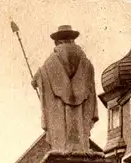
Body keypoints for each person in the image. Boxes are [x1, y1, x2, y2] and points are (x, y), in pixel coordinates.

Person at [32, 25, 98, 154]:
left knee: (60, 123)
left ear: (58, 41)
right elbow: (90, 77)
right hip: (81, 107)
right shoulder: (85, 60)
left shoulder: (52, 60)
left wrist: (36, 80)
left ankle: (62, 147)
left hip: (59, 107)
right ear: (72, 39)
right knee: (79, 123)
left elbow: (41, 74)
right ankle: (81, 147)